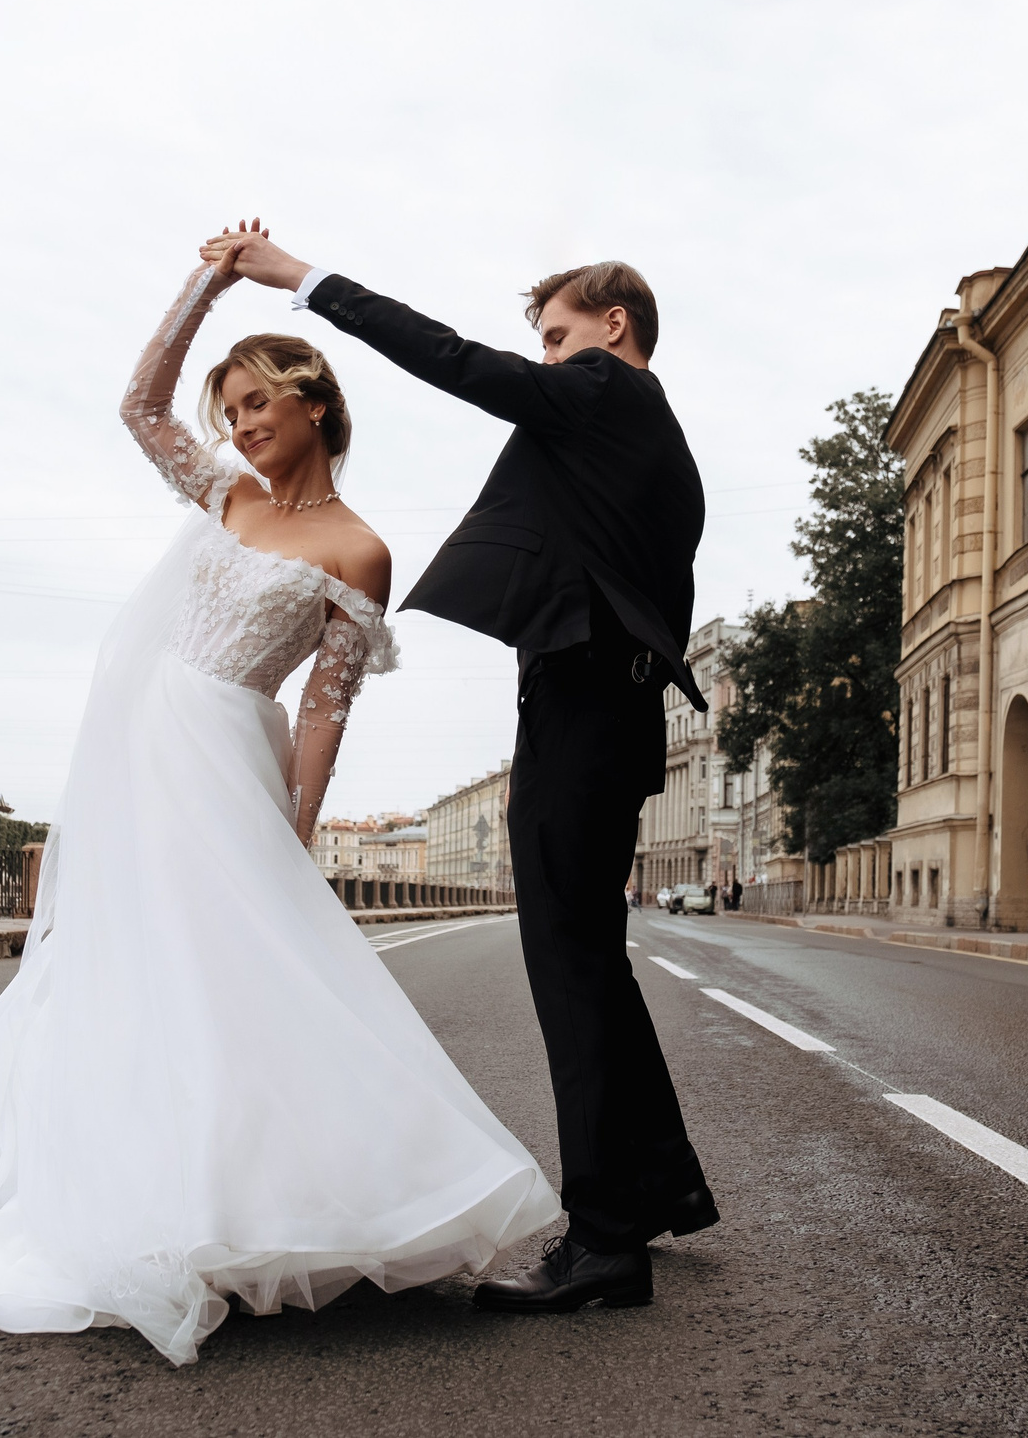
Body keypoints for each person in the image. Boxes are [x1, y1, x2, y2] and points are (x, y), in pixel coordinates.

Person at [0, 248, 558, 1365]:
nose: (241, 424)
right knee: (125, 966)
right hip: (135, 749)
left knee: (239, 971)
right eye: (230, 408)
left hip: (223, 751)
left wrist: (296, 831)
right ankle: (133, 1188)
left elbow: (322, 710)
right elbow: (136, 404)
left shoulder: (358, 550)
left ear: (316, 402)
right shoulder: (227, 494)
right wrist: (208, 291)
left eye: (259, 402)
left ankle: (273, 1205)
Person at [203, 223, 716, 1316]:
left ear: (611, 327)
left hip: (581, 708)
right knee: (596, 963)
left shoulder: (604, 393)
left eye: (558, 333)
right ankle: (654, 1188)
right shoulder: (658, 447)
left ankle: (603, 1245)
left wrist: (302, 281)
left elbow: (451, 361)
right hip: (611, 710)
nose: (544, 357)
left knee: (570, 972)